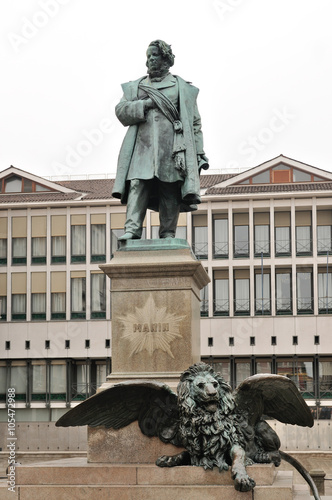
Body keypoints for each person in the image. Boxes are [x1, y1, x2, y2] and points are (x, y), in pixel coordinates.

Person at [112, 39, 208, 240]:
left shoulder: (182, 88)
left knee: (170, 188)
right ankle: (132, 230)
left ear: (166, 59)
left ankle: (167, 233)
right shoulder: (136, 87)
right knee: (137, 184)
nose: (150, 60)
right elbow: (121, 111)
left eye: (154, 55)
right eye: (148, 56)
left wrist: (199, 153)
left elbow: (195, 124)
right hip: (142, 148)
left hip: (172, 148)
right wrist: (145, 104)